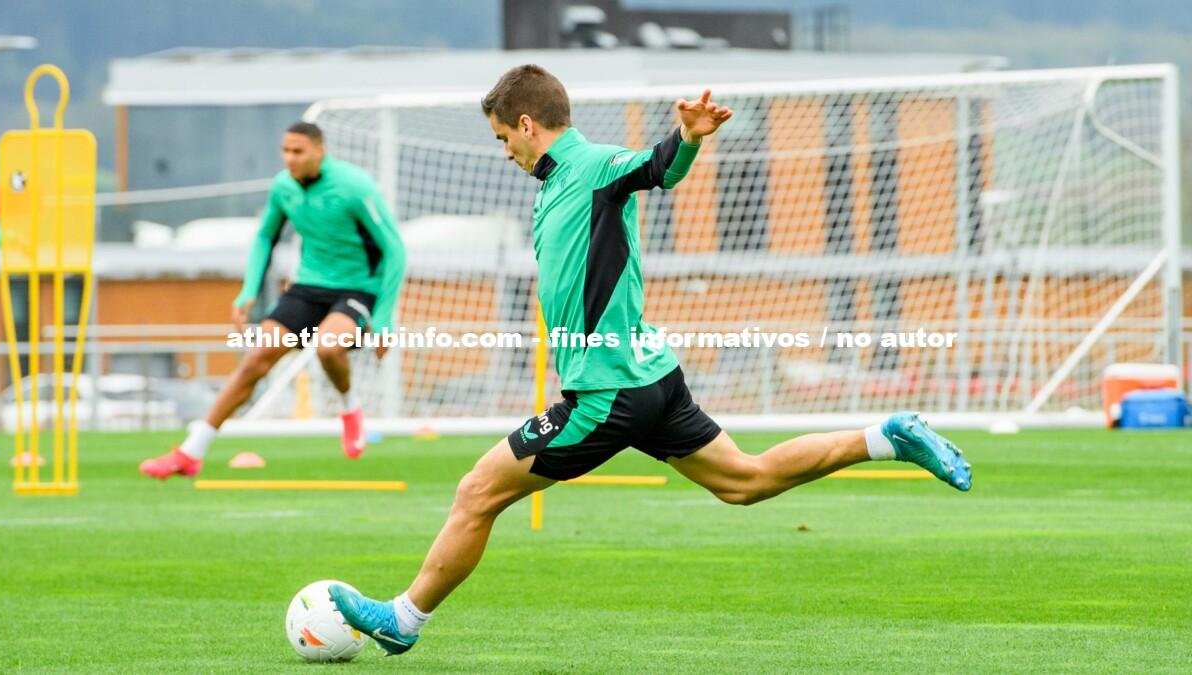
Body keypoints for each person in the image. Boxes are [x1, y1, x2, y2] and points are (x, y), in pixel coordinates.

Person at [327, 65, 972, 655]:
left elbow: (652, 168)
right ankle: (883, 437)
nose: (506, 153)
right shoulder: (555, 183)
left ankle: (403, 621)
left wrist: (686, 140)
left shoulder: (591, 165)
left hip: (606, 394)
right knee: (743, 481)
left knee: (475, 494)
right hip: (651, 378)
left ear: (527, 125)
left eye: (503, 139)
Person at [139, 122, 405, 479]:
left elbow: (394, 250)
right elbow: (265, 237)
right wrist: (248, 291)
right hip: (308, 285)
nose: (289, 159)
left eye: (298, 151)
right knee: (256, 360)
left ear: (319, 151)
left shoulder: (354, 186)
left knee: (328, 347)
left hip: (358, 288)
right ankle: (191, 452)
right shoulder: (283, 187)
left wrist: (384, 318)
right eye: (285, 151)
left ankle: (349, 409)